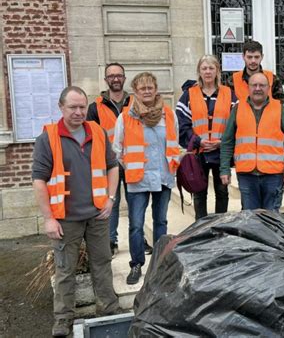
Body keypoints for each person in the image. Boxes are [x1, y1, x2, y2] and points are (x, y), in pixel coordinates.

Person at [32, 86, 119, 337]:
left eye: (82, 107)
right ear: (61, 108)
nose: (79, 112)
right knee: (65, 270)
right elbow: (39, 180)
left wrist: (111, 199)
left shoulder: (98, 132)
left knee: (102, 264)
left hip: (97, 216)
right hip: (65, 219)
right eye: (73, 107)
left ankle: (109, 311)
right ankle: (63, 321)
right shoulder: (48, 138)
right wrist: (48, 218)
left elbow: (113, 167)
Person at [113, 72, 180, 285]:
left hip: (163, 176)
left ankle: (159, 264)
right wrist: (131, 167)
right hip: (138, 179)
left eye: (150, 87)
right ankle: (136, 264)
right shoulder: (125, 117)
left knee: (161, 221)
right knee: (136, 224)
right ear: (135, 92)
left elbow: (175, 143)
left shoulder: (168, 114)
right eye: (142, 88)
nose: (147, 91)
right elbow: (117, 149)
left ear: (156, 89)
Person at [220, 72, 284, 210]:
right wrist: (224, 168)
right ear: (248, 87)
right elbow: (227, 141)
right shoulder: (238, 109)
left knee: (271, 220)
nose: (257, 88)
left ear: (268, 88)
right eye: (254, 85)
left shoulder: (279, 108)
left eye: (262, 85)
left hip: (273, 175)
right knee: (250, 221)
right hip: (246, 175)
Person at [176, 55, 237, 219]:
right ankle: (200, 227)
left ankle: (219, 226)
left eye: (211, 68)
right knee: (199, 192)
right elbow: (181, 125)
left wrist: (222, 142)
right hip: (198, 153)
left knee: (222, 192)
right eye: (204, 68)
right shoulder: (189, 95)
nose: (208, 71)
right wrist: (198, 141)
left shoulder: (229, 94)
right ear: (199, 71)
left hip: (221, 153)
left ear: (217, 71)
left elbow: (237, 124)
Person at [87, 62, 133, 258]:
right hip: (109, 165)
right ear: (106, 80)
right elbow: (90, 137)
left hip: (132, 162)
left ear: (124, 78)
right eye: (111, 76)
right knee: (111, 204)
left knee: (136, 203)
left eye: (119, 75)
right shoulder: (95, 107)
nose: (115, 78)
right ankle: (111, 241)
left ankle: (137, 240)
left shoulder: (134, 102)